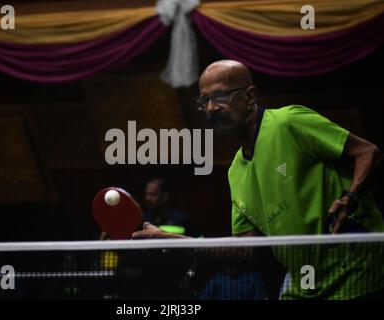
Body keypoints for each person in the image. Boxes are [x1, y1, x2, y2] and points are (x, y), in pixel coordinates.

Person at [133, 60, 384, 300]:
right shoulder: (236, 172)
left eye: (220, 97)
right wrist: (170, 240)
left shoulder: (289, 122)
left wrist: (350, 197)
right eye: (204, 101)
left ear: (250, 97)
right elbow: (244, 250)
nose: (210, 108)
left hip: (358, 273)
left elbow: (367, 152)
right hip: (305, 286)